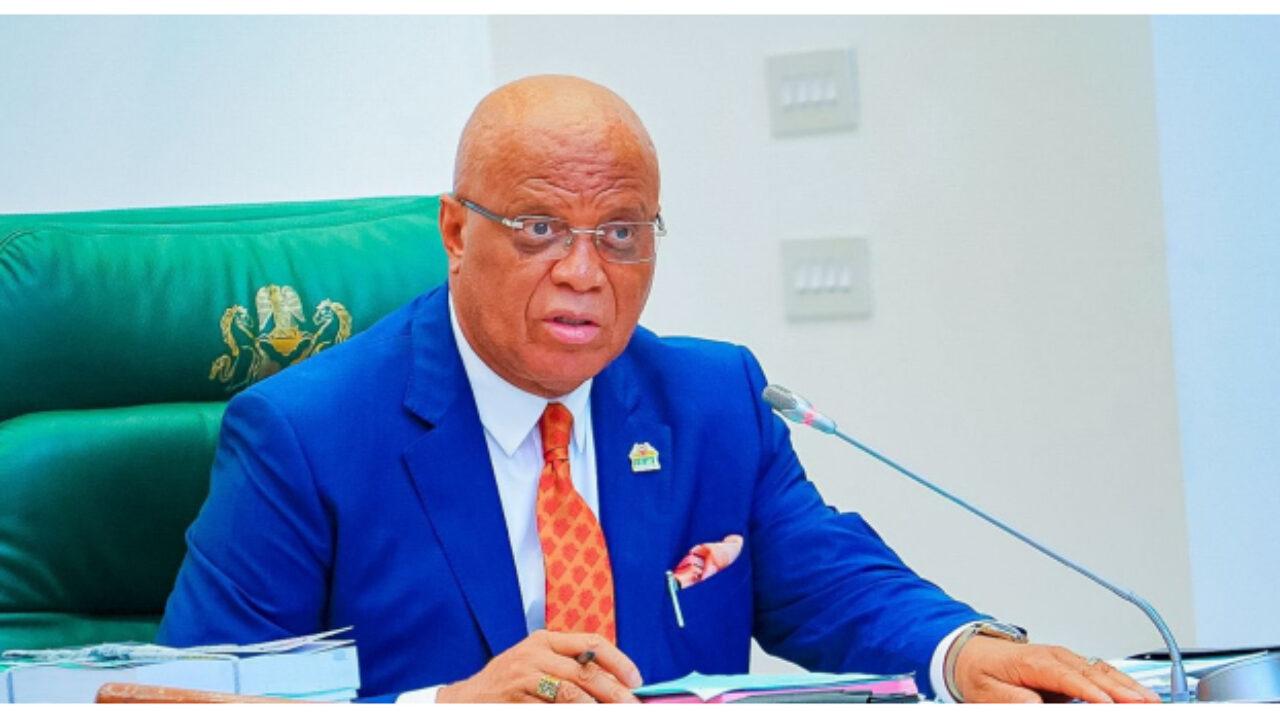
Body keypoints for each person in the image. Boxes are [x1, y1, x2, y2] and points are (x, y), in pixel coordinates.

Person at [157, 75, 1158, 704]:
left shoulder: (711, 401)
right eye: (540, 228)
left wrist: (957, 652)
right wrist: (444, 709)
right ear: (457, 232)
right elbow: (191, 704)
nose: (585, 273)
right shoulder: (305, 434)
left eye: (622, 233)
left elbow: (833, 582)